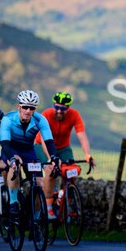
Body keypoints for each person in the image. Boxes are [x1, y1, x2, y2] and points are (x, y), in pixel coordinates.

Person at [34, 91, 95, 220]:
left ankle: (64, 203)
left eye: (63, 109)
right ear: (53, 106)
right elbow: (44, 140)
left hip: (63, 148)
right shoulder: (47, 115)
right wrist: (51, 159)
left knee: (71, 172)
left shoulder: (74, 115)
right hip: (42, 146)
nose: (59, 111)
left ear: (68, 108)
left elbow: (82, 135)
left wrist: (87, 154)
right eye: (57, 107)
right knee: (51, 170)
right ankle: (49, 207)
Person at [0, 90, 59, 218]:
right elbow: (4, 144)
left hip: (28, 151)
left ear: (34, 109)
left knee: (39, 184)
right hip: (10, 149)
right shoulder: (7, 119)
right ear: (19, 107)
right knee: (15, 165)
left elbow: (49, 142)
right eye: (25, 107)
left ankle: (36, 221)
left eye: (31, 108)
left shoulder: (40, 120)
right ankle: (13, 201)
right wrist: (12, 158)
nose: (28, 111)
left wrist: (54, 157)